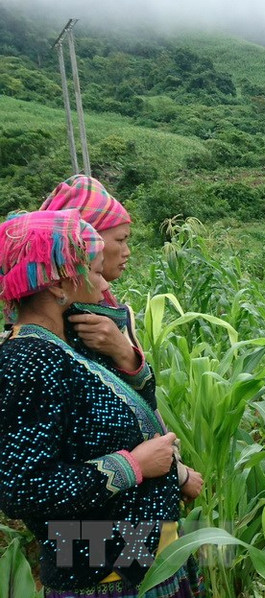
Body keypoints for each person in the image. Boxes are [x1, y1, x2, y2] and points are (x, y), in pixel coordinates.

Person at [0, 209, 202, 596]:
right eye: (93, 271)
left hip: (140, 551)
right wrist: (134, 465)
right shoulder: (28, 364)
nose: (102, 279)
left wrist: (124, 352)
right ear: (59, 284)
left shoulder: (74, 338)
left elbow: (134, 405)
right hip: (100, 570)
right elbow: (23, 489)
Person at [40, 175, 203, 502]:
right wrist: (178, 472)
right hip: (104, 521)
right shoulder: (54, 335)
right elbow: (107, 432)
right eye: (121, 239)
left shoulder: (104, 311)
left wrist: (123, 352)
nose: (127, 252)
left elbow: (140, 404)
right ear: (85, 245)